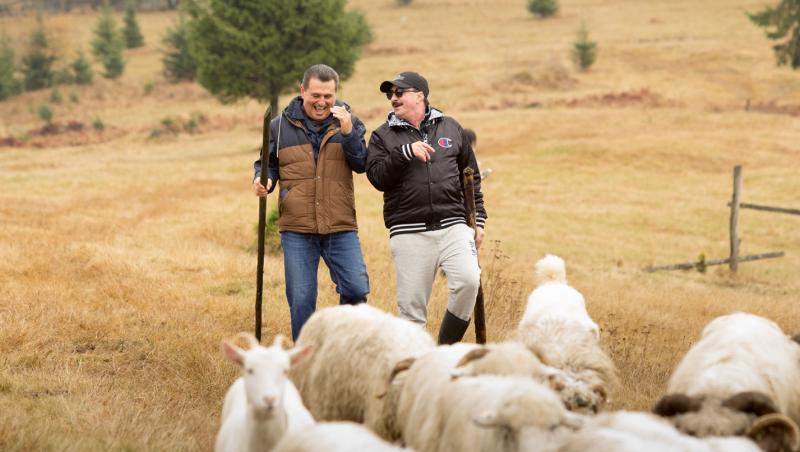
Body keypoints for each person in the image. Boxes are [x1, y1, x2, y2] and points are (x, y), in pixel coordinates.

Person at [366, 71, 487, 345]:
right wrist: (405, 153)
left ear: (420, 95)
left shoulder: (451, 127)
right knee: (412, 311)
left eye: (399, 92)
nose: (393, 99)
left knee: (469, 281)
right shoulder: (382, 136)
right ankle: (416, 369)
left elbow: (471, 177)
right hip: (408, 229)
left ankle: (443, 350)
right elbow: (376, 177)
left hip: (454, 224)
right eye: (390, 95)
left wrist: (478, 219)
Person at [253, 64, 370, 341]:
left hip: (339, 224)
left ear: (336, 93)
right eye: (316, 95)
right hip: (297, 228)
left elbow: (361, 164)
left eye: (328, 96)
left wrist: (349, 132)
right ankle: (305, 362)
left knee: (355, 289)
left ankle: (340, 347)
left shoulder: (349, 122)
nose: (322, 102)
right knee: (302, 299)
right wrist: (264, 181)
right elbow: (267, 165)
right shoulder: (278, 127)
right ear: (302, 90)